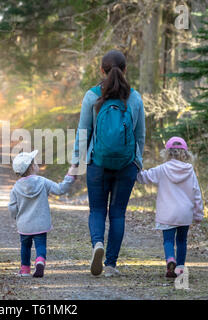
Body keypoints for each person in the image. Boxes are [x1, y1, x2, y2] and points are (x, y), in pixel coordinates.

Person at [69, 49, 146, 277]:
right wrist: (137, 162)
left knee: (97, 210)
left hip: (97, 163)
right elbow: (140, 136)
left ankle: (97, 245)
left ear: (101, 70)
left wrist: (76, 163)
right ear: (124, 70)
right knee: (118, 213)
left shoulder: (92, 96)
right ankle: (111, 264)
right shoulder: (135, 97)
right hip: (126, 164)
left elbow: (83, 133)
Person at [136, 137, 204, 278]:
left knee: (168, 241)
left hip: (167, 214)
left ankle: (170, 260)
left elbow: (143, 178)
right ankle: (179, 269)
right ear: (185, 154)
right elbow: (196, 193)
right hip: (185, 213)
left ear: (167, 153)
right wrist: (198, 214)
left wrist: (134, 167)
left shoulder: (162, 169)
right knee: (181, 241)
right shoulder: (190, 170)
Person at [9, 150, 75, 278]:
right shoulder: (42, 181)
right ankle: (40, 261)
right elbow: (60, 189)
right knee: (40, 244)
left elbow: (12, 207)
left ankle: (25, 270)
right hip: (41, 223)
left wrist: (16, 217)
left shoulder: (16, 187)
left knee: (25, 246)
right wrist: (70, 177)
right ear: (33, 166)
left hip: (24, 225)